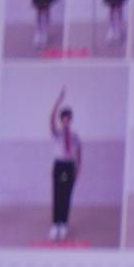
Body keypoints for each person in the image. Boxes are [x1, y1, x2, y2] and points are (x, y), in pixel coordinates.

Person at [52, 92, 86, 238]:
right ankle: (55, 225)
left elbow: (79, 153)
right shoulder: (57, 133)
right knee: (57, 194)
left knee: (66, 195)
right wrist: (58, 101)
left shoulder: (75, 136)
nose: (66, 121)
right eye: (63, 119)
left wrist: (78, 169)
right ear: (61, 120)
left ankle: (63, 225)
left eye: (68, 119)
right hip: (59, 166)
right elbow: (50, 119)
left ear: (71, 120)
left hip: (68, 168)